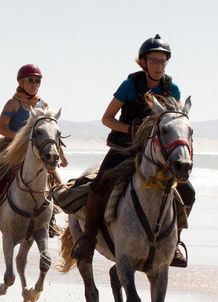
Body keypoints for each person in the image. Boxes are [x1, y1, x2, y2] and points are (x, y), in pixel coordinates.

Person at [70, 34, 194, 267]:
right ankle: (88, 238)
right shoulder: (130, 85)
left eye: (163, 61)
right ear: (144, 62)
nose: (159, 66)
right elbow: (107, 119)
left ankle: (173, 242)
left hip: (158, 152)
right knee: (99, 185)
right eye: (154, 61)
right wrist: (132, 130)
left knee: (189, 194)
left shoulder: (172, 88)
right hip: (125, 147)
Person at [0, 64, 68, 233]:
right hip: (13, 147)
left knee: (56, 180)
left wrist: (61, 155)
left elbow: (51, 134)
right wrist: (22, 139)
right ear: (21, 82)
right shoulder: (13, 103)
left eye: (37, 81)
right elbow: (1, 128)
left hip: (38, 148)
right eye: (30, 80)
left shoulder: (44, 104)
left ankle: (51, 218)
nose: (34, 84)